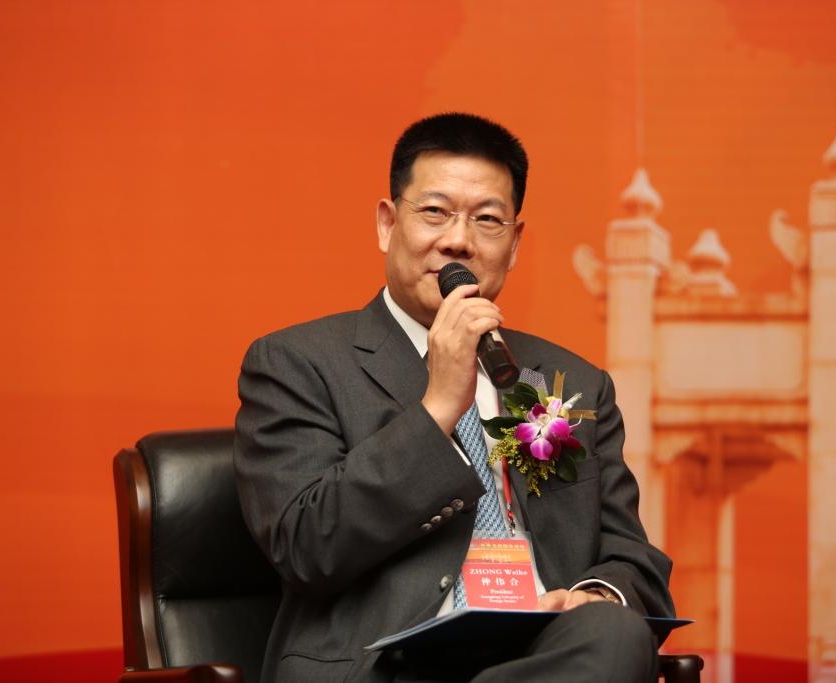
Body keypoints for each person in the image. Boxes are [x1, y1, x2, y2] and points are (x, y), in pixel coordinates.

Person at [234, 113, 675, 682]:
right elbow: (306, 547)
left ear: (514, 244)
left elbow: (631, 556)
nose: (458, 240)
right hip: (388, 664)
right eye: (435, 212)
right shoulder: (298, 363)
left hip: (541, 655)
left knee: (615, 631)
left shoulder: (573, 382)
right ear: (388, 224)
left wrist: (596, 595)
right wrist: (438, 406)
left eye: (487, 220)